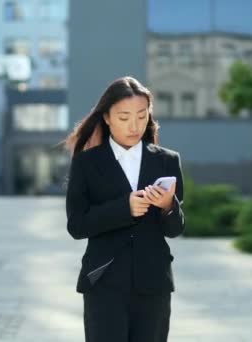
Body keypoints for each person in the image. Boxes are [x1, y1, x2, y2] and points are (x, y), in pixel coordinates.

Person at [64, 76, 185, 342]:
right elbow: (77, 225)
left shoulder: (167, 161)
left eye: (142, 116)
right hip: (103, 283)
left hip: (153, 284)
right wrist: (124, 208)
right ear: (106, 117)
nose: (134, 125)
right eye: (124, 117)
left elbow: (175, 229)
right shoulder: (86, 163)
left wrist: (167, 207)